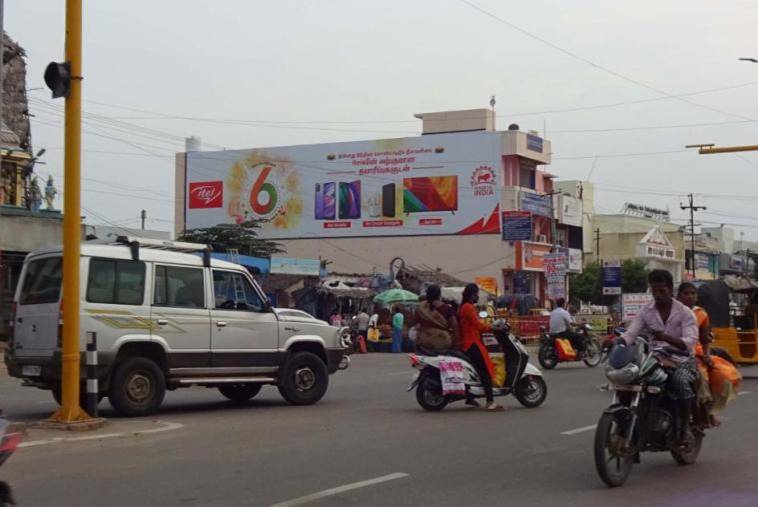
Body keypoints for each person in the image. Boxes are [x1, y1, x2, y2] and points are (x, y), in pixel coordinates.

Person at [621, 270, 699, 449]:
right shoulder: (646, 311)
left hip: (682, 359)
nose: (657, 295)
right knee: (631, 378)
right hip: (655, 357)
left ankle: (683, 429)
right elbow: (632, 332)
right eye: (654, 291)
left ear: (671, 289)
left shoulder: (685, 313)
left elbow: (689, 343)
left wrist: (665, 337)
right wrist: (620, 341)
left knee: (679, 380)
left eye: (661, 291)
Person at [458, 283, 502, 411]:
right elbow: (477, 324)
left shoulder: (465, 306)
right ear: (472, 295)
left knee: (477, 369)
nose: (477, 296)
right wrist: (492, 327)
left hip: (468, 342)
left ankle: (470, 397)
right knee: (486, 370)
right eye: (476, 294)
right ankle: (490, 401)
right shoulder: (468, 307)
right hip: (472, 342)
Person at [414, 284, 458, 353]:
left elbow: (415, 322)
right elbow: (455, 326)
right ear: (439, 295)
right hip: (442, 343)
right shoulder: (447, 308)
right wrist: (455, 344)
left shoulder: (421, 307)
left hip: (424, 343)